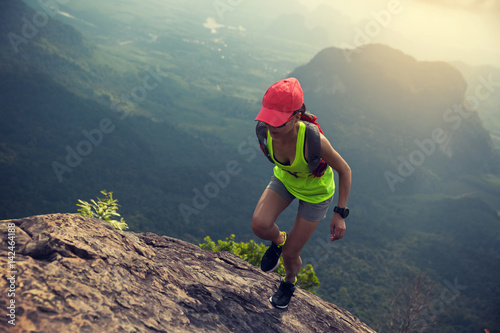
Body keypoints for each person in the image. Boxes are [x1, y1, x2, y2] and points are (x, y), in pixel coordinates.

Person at [252, 77, 351, 309]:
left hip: (316, 194)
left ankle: (289, 282)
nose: (271, 127)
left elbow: (345, 171)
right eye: (268, 120)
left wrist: (340, 213)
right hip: (286, 179)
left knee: (290, 254)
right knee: (259, 225)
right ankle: (278, 239)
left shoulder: (314, 141)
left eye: (278, 122)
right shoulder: (264, 132)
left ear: (296, 117)